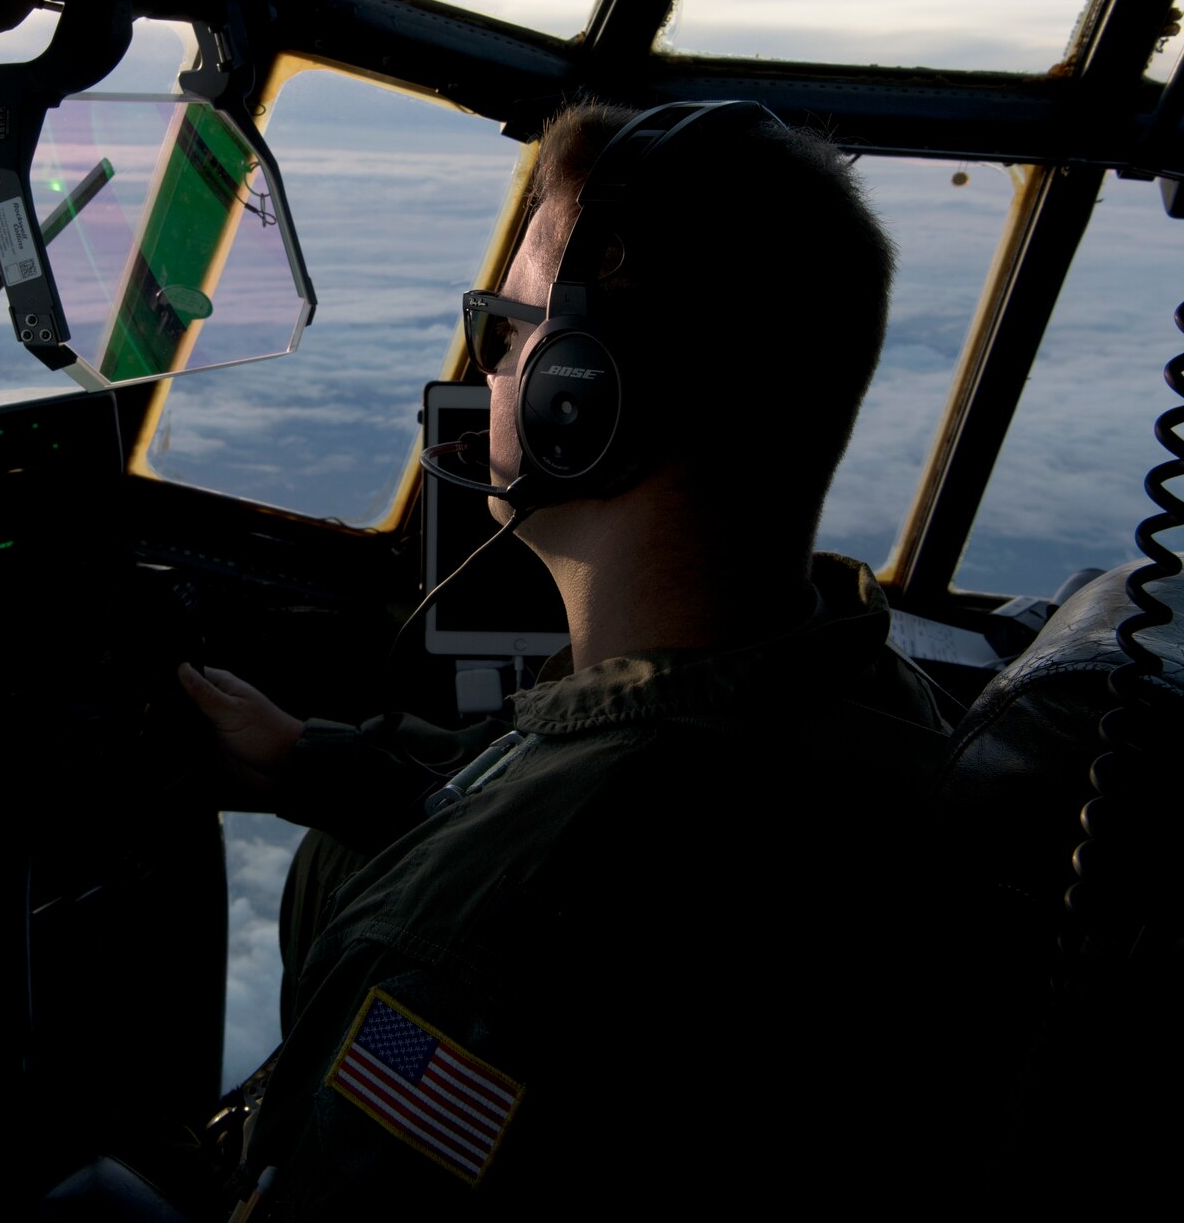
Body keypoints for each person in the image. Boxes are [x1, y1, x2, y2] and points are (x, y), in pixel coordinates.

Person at [176, 100, 961, 1216]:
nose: (488, 365)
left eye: (508, 330)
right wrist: (311, 762)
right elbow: (584, 847)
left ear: (579, 397)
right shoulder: (854, 695)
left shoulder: (477, 962)